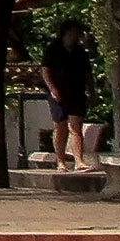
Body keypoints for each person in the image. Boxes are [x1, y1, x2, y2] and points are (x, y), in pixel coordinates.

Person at [39, 19, 97, 172]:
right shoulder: (53, 49)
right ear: (67, 32)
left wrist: (92, 93)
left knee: (76, 126)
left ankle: (79, 160)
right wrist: (52, 89)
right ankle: (61, 162)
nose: (77, 35)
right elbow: (45, 70)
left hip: (77, 92)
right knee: (60, 127)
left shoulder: (80, 52)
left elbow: (87, 75)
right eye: (74, 32)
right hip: (59, 92)